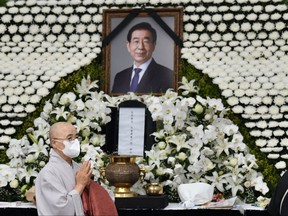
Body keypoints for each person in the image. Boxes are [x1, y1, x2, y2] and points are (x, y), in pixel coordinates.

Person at [35, 122, 92, 216]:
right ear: (54, 143)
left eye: (76, 137)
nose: (75, 141)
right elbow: (61, 210)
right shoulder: (48, 173)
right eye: (69, 138)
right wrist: (81, 185)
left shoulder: (78, 167)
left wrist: (88, 184)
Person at [111, 22, 173, 94]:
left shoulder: (167, 75)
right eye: (136, 41)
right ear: (128, 46)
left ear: (154, 45)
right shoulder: (120, 77)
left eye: (146, 41)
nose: (140, 47)